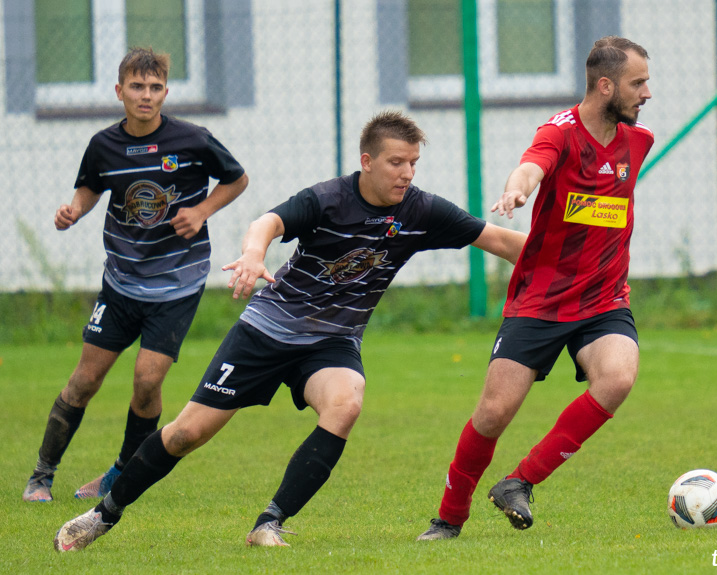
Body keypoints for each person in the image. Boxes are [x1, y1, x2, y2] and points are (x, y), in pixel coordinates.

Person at [52, 110, 527, 551]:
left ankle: (269, 522)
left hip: (332, 342)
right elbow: (267, 222)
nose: (408, 173)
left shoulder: (420, 211)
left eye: (414, 163)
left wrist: (583, 257)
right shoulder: (328, 199)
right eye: (396, 162)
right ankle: (105, 513)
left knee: (346, 402)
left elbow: (502, 241)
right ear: (367, 161)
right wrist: (255, 254)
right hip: (266, 331)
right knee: (186, 434)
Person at [416, 36, 654, 540]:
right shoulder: (560, 132)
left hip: (604, 298)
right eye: (638, 83)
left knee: (618, 378)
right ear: (605, 84)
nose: (647, 93)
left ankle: (519, 482)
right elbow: (533, 163)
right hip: (541, 298)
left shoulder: (638, 141)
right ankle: (449, 517)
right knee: (493, 413)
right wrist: (518, 188)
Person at [22, 48, 249, 503]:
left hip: (176, 286)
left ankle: (120, 476)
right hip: (122, 283)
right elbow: (90, 186)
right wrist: (75, 210)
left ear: (166, 91)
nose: (146, 96)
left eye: (155, 87)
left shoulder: (193, 140)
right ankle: (41, 475)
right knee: (85, 380)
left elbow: (237, 179)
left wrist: (202, 210)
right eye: (136, 87)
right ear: (120, 91)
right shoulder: (103, 144)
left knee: (147, 382)